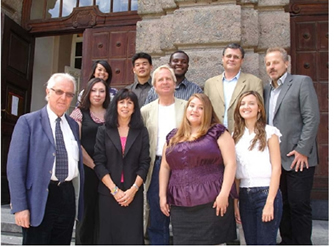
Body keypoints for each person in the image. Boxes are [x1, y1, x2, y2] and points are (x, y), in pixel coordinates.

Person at [6, 73, 84, 245]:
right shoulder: (28, 122)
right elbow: (15, 167)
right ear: (48, 92)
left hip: (67, 194)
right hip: (40, 196)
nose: (64, 97)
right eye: (59, 92)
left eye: (69, 94)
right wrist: (20, 207)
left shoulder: (72, 125)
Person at [159, 93, 237, 245]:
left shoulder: (217, 132)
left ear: (207, 111)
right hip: (180, 205)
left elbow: (231, 164)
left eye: (200, 108)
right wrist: (162, 195)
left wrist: (224, 195)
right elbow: (164, 166)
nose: (195, 110)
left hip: (212, 202)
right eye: (192, 106)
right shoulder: (173, 136)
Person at [263, 47, 320, 245]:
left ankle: (303, 242)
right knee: (283, 204)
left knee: (299, 205)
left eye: (276, 62)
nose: (272, 67)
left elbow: (311, 118)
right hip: (276, 160)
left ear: (286, 63)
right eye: (268, 64)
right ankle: (287, 240)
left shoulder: (301, 83)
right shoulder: (266, 89)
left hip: (298, 158)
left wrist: (303, 150)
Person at [93, 88, 150, 244]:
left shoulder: (141, 131)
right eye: (122, 102)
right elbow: (99, 163)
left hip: (133, 194)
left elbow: (144, 163)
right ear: (115, 105)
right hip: (108, 194)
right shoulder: (103, 131)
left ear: (134, 107)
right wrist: (114, 190)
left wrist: (133, 190)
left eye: (130, 102)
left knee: (131, 237)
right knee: (108, 237)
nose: (125, 106)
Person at [141, 64, 187, 244]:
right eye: (161, 79)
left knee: (182, 214)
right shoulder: (146, 111)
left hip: (182, 167)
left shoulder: (187, 107)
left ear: (175, 83)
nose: (165, 82)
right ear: (154, 86)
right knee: (158, 213)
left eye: (169, 78)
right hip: (157, 165)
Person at [233, 91, 283, 245]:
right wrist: (236, 203)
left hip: (266, 192)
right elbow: (235, 172)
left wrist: (269, 203)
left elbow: (276, 168)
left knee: (265, 242)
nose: (246, 107)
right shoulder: (235, 135)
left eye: (251, 103)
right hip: (245, 196)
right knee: (250, 242)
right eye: (243, 103)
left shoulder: (270, 132)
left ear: (259, 108)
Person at [70, 78, 111, 244]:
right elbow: (75, 144)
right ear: (87, 92)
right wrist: (95, 166)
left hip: (108, 173)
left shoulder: (112, 114)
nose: (98, 94)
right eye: (94, 90)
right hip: (87, 171)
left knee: (104, 215)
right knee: (86, 215)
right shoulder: (79, 113)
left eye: (102, 91)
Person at [204, 43, 263, 132]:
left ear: (242, 60)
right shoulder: (210, 83)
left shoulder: (254, 82)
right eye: (229, 56)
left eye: (236, 57)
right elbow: (206, 112)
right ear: (223, 58)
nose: (232, 59)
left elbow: (260, 113)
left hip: (243, 135)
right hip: (215, 136)